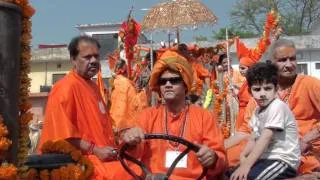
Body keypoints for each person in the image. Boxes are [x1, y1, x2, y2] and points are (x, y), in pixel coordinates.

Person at [120, 50, 227, 179]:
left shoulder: (204, 117)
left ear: (185, 84)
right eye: (163, 81)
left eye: (174, 80)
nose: (168, 85)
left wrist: (213, 158)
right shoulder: (147, 116)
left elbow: (221, 160)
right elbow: (132, 155)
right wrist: (131, 140)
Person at [38, 35, 128, 179]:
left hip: (103, 157)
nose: (93, 61)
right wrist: (95, 149)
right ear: (73, 59)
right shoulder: (64, 88)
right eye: (87, 57)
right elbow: (64, 136)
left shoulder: (92, 86)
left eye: (96, 56)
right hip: (80, 163)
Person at [231, 62, 300, 180]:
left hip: (283, 160)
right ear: (250, 91)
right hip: (265, 159)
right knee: (230, 174)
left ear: (276, 88)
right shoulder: (257, 111)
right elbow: (254, 137)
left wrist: (247, 165)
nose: (262, 94)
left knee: (251, 177)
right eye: (257, 89)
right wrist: (243, 156)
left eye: (267, 88)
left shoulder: (277, 106)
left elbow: (266, 137)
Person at [270, 39, 320, 174]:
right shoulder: (265, 90)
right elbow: (245, 130)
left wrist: (306, 139)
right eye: (282, 60)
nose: (289, 64)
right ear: (271, 63)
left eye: (292, 59)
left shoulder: (310, 84)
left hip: (309, 152)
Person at [110, 59, 148, 129]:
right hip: (125, 124)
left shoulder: (115, 82)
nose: (128, 71)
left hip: (115, 120)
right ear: (122, 70)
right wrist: (144, 93)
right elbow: (135, 104)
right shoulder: (126, 84)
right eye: (126, 68)